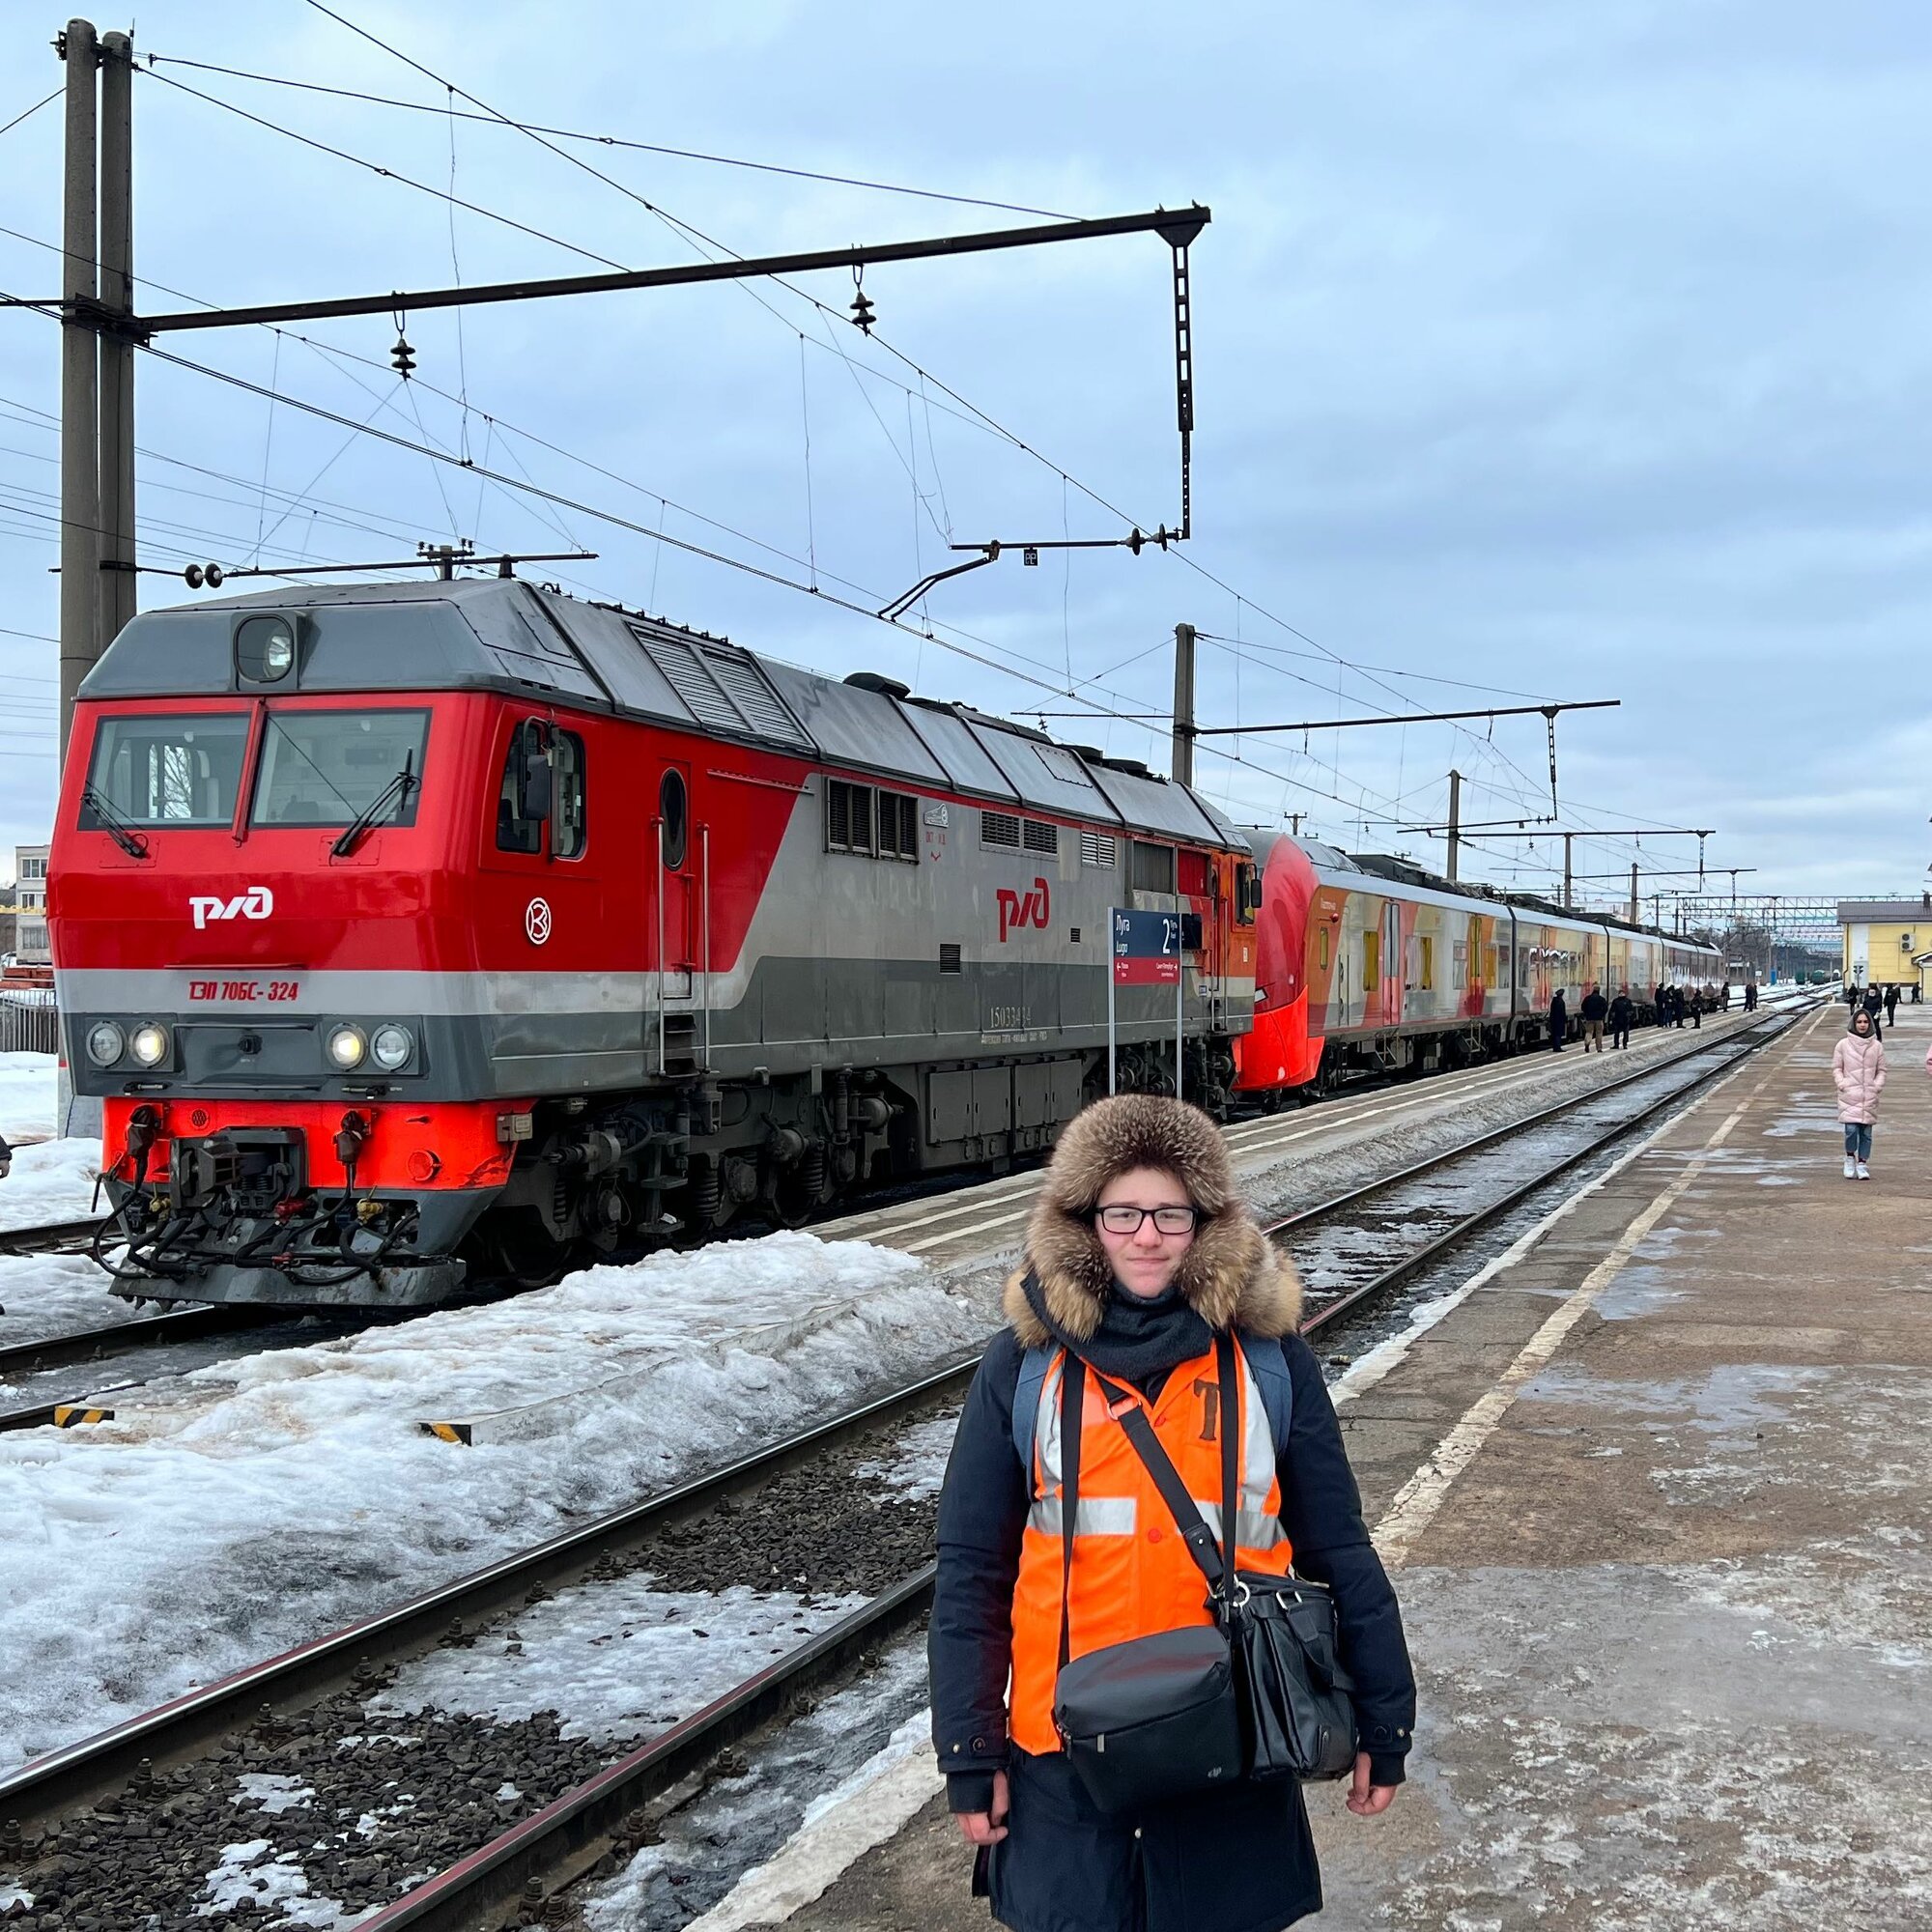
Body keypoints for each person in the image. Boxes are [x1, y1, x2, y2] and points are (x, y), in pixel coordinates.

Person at [931, 1094, 1415, 1932]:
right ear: (1085, 1223)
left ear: (1206, 1226)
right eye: (1122, 1213)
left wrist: (1384, 1719)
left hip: (1234, 1741)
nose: (1147, 1237)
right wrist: (970, 1750)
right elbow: (973, 1566)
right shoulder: (1024, 1367)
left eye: (1171, 1215)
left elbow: (1339, 1548)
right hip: (1064, 1759)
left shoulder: (1268, 1365)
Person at [1832, 1008, 1886, 1180]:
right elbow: (1837, 1067)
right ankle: (1849, 1157)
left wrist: (1876, 1086)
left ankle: (1862, 1163)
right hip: (1849, 1094)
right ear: (1854, 1023)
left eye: (1865, 1022)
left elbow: (1882, 1070)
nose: (1862, 1025)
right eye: (1859, 1021)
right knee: (1851, 1130)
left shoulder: (1876, 1046)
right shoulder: (1843, 1045)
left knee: (1866, 1133)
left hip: (1869, 1095)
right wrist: (1842, 1083)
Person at [1579, 985, 1608, 1053]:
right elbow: (1605, 1009)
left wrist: (1587, 1014)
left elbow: (1583, 1007)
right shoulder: (1601, 999)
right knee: (1599, 1033)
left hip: (1589, 1019)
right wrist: (1601, 1015)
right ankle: (1599, 1048)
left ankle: (1587, 1043)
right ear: (1598, 991)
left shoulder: (1587, 998)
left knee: (1589, 1032)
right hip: (1599, 1019)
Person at [1609, 986, 1634, 1050]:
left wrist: (1612, 1017)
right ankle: (1620, 1044)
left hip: (1622, 1019)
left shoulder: (1619, 1001)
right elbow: (1612, 1010)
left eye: (1622, 993)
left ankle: (1622, 1044)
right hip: (1620, 1019)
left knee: (1621, 1033)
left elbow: (1631, 1010)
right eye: (1620, 993)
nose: (1621, 994)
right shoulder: (1623, 1001)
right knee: (1620, 1033)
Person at [1548, 986, 1569, 1052]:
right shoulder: (1561, 1002)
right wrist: (1565, 1020)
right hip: (1559, 1021)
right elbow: (1563, 1012)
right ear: (1561, 995)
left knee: (1555, 1034)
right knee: (1558, 1034)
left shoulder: (1554, 1001)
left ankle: (1555, 1047)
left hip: (1554, 1020)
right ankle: (1558, 1047)